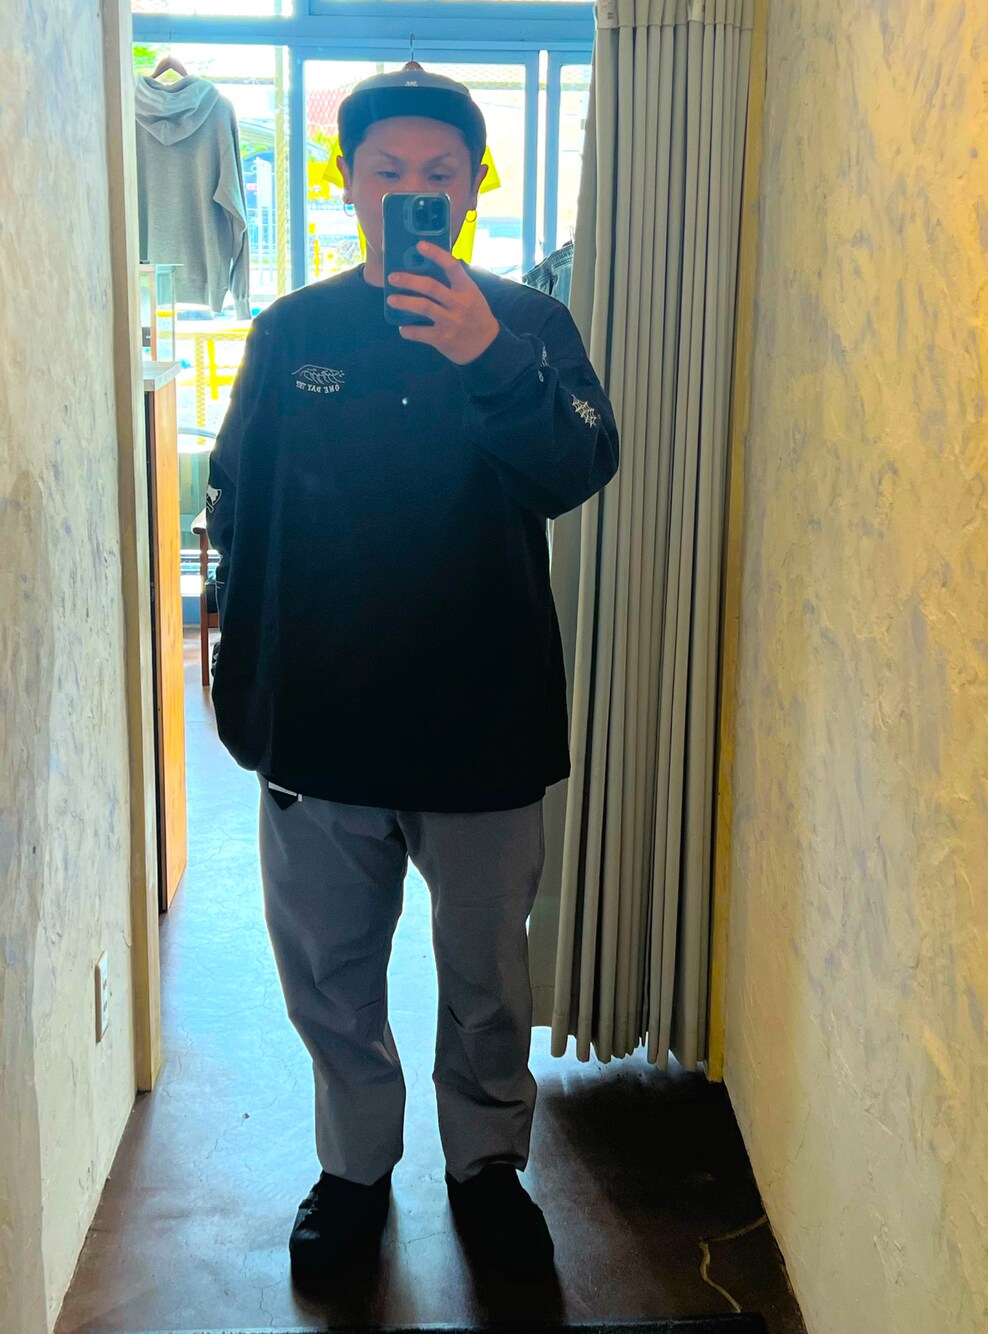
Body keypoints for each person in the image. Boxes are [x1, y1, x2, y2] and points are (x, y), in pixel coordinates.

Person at [205, 64, 619, 1290]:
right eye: (387, 172)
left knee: (488, 976)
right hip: (322, 721)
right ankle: (355, 1170)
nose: (412, 192)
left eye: (439, 173)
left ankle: (485, 1168)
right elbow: (237, 504)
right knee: (329, 975)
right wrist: (246, 688)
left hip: (483, 720)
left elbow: (579, 467)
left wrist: (489, 357)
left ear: (474, 187)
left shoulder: (530, 326)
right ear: (348, 186)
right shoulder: (292, 332)